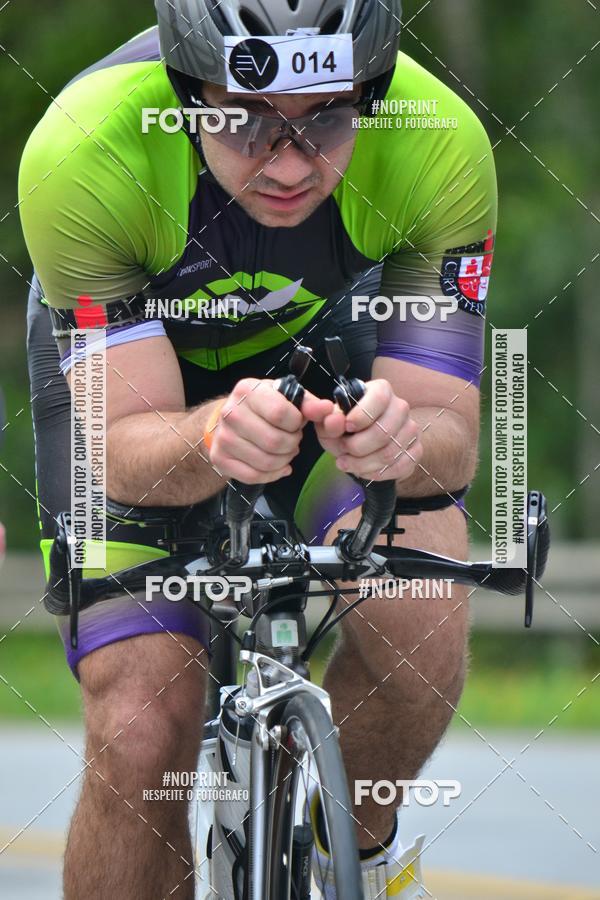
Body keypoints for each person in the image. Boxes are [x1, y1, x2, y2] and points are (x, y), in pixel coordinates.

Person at [18, 1, 497, 897]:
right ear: (183, 91)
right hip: (140, 391)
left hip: (333, 349)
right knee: (141, 726)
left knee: (422, 618)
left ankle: (359, 845)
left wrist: (401, 441)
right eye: (243, 119)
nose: (288, 162)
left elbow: (452, 440)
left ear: (376, 92)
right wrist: (210, 434)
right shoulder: (84, 151)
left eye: (328, 117)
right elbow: (122, 449)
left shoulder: (440, 144)